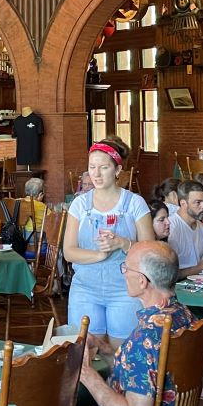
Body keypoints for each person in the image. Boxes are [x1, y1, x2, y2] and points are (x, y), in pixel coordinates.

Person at [69, 242, 195, 406]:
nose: (123, 273)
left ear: (142, 281)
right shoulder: (182, 316)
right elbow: (144, 370)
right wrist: (104, 348)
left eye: (126, 268)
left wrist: (87, 375)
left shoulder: (146, 337)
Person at [65, 139, 156, 347]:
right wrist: (99, 255)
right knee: (85, 354)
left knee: (122, 353)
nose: (96, 174)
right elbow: (69, 252)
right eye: (92, 167)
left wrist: (123, 244)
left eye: (103, 167)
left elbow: (150, 251)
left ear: (117, 170)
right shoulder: (79, 205)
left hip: (126, 290)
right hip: (85, 290)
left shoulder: (134, 203)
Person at [166, 180, 203, 278]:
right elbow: (168, 275)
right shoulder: (171, 227)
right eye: (198, 202)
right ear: (183, 203)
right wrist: (197, 269)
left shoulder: (201, 227)